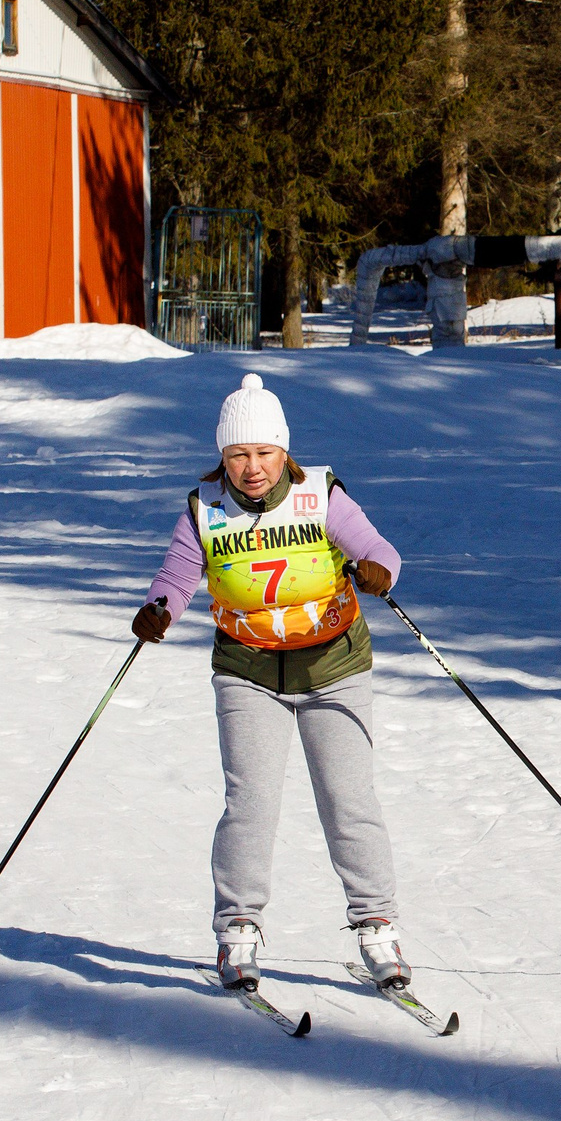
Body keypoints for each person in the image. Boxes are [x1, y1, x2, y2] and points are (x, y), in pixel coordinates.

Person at [132, 373, 412, 993]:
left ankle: (377, 924)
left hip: (334, 667)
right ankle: (237, 932)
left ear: (283, 451)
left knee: (349, 800)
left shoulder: (319, 495)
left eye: (262, 453)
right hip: (247, 670)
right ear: (222, 456)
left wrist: (375, 572)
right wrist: (158, 609)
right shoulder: (205, 506)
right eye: (237, 455)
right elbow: (176, 577)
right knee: (250, 804)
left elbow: (381, 551)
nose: (251, 468)